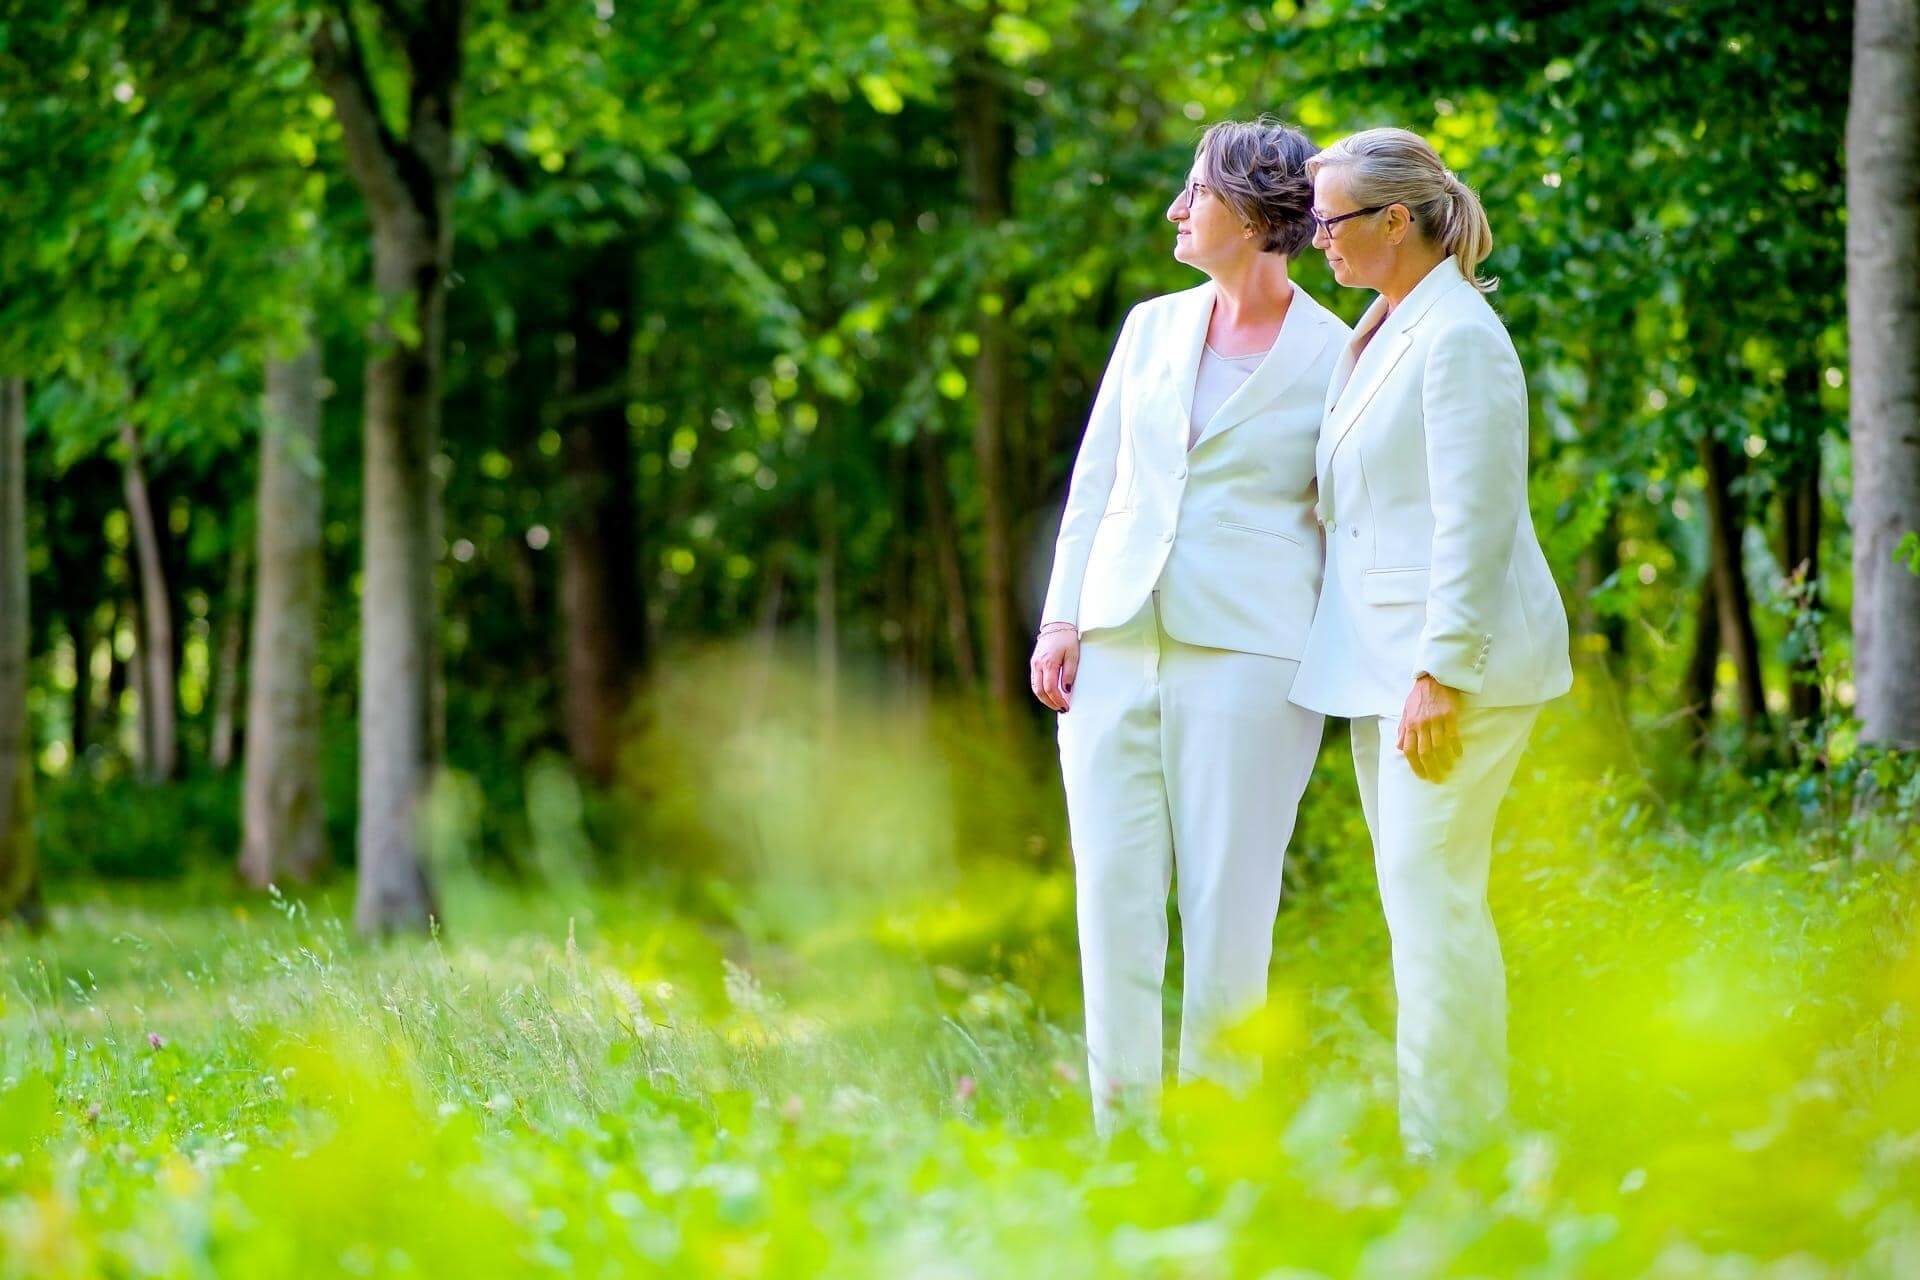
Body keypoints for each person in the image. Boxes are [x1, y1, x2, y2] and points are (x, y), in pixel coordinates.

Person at [1030, 117, 1350, 1130]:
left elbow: (1350, 516)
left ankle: (1219, 1152)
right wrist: (1061, 617)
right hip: (1115, 645)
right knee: (1112, 906)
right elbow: (1095, 482)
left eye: (1195, 193)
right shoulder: (1149, 326)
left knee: (1230, 915)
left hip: (1253, 659)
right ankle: (1122, 1142)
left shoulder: (1341, 354)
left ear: (1256, 215)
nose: (1177, 209)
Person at [1291, 127, 1573, 1157]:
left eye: (1331, 219)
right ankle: (1448, 1141)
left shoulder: (1457, 334)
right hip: (1383, 667)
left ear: (1395, 221)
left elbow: (1477, 514)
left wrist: (1441, 673)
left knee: (1435, 902)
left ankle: (1455, 1154)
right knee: (1422, 902)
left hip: (1458, 671)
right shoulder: (1386, 323)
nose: (1316, 236)